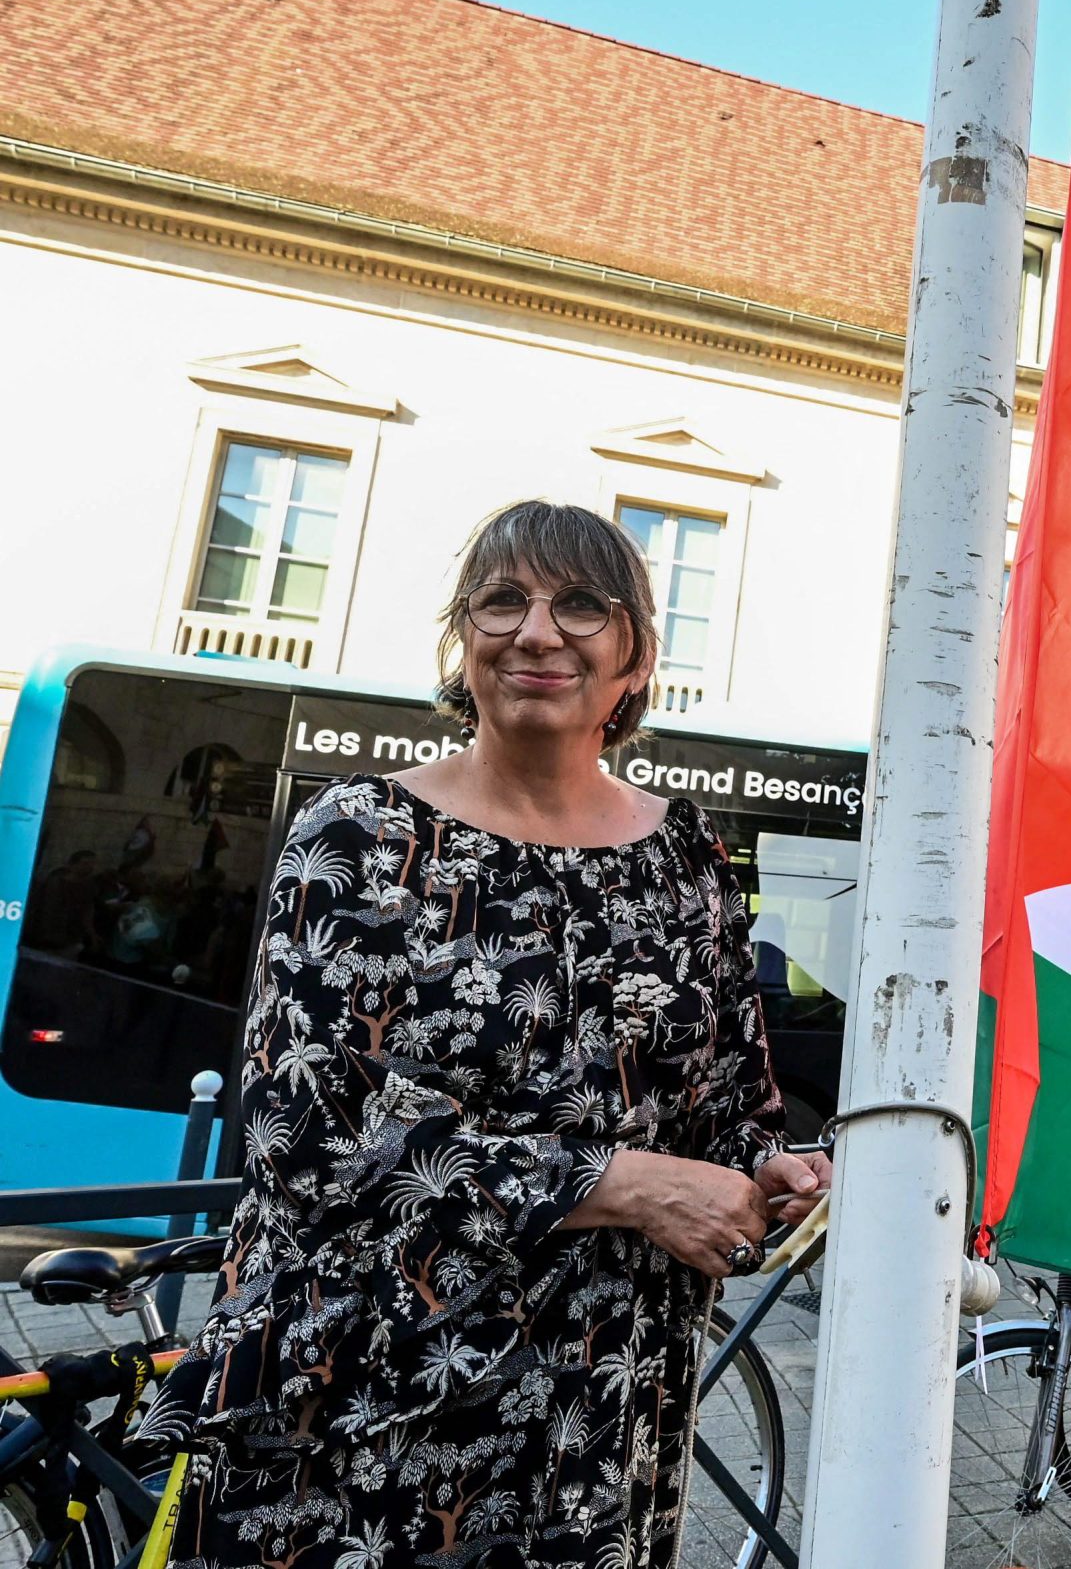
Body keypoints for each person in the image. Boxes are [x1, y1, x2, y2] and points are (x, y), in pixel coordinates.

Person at [141, 499, 831, 1569]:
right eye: (502, 599)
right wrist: (625, 1184)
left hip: (599, 1411)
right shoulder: (361, 835)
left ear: (637, 657)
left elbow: (728, 1103)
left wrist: (767, 1170)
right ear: (464, 640)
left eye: (581, 605)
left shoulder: (685, 856)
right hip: (367, 1408)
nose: (537, 631)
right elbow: (308, 1140)